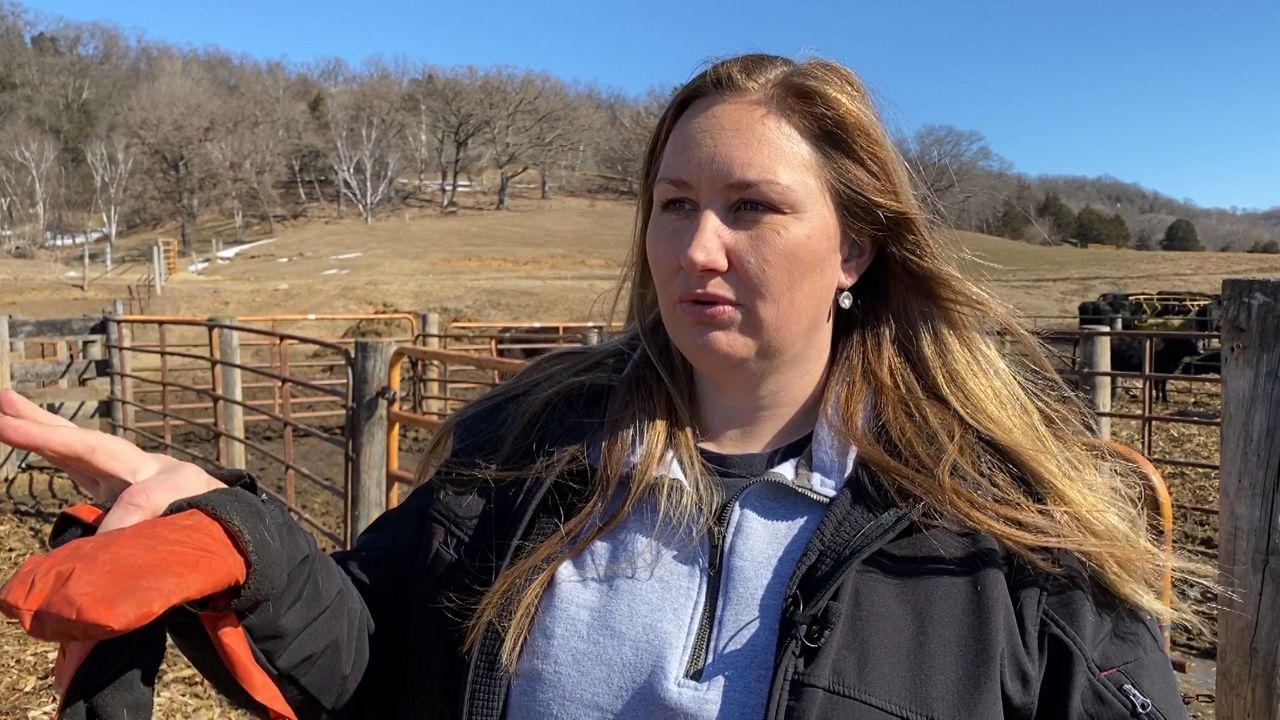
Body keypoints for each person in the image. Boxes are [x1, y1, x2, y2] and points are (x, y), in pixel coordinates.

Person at [0, 54, 1188, 719]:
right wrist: (239, 531)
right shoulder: (528, 455)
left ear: (856, 249)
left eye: (752, 208)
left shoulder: (1006, 531)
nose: (696, 248)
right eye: (672, 206)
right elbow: (375, 659)